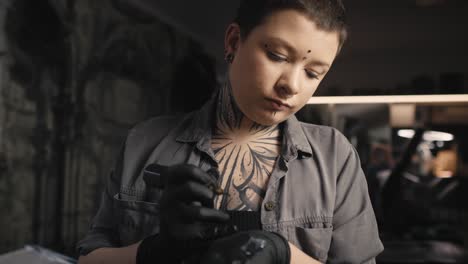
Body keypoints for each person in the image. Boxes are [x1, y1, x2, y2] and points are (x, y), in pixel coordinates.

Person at [77, 0, 384, 263]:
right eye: (277, 55)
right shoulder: (145, 141)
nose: (291, 85)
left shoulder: (335, 157)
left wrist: (283, 254)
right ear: (234, 41)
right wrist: (157, 251)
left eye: (313, 72)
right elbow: (87, 258)